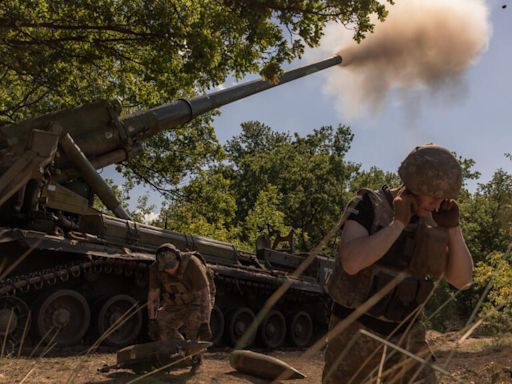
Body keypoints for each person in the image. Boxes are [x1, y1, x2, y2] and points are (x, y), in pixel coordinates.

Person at [323, 144, 474, 384]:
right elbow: (351, 262)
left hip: (407, 335)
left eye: (443, 198)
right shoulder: (368, 205)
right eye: (434, 196)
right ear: (416, 184)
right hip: (355, 331)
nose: (438, 203)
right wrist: (398, 224)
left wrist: (453, 230)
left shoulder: (435, 220)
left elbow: (463, 280)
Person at [147, 243, 214, 370]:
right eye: (165, 267)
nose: (169, 270)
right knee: (161, 323)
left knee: (194, 324)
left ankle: (196, 358)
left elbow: (205, 295)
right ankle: (181, 354)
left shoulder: (192, 264)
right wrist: (152, 320)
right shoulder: (156, 269)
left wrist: (205, 323)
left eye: (171, 266)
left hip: (198, 301)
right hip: (176, 301)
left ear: (178, 258)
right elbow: (153, 297)